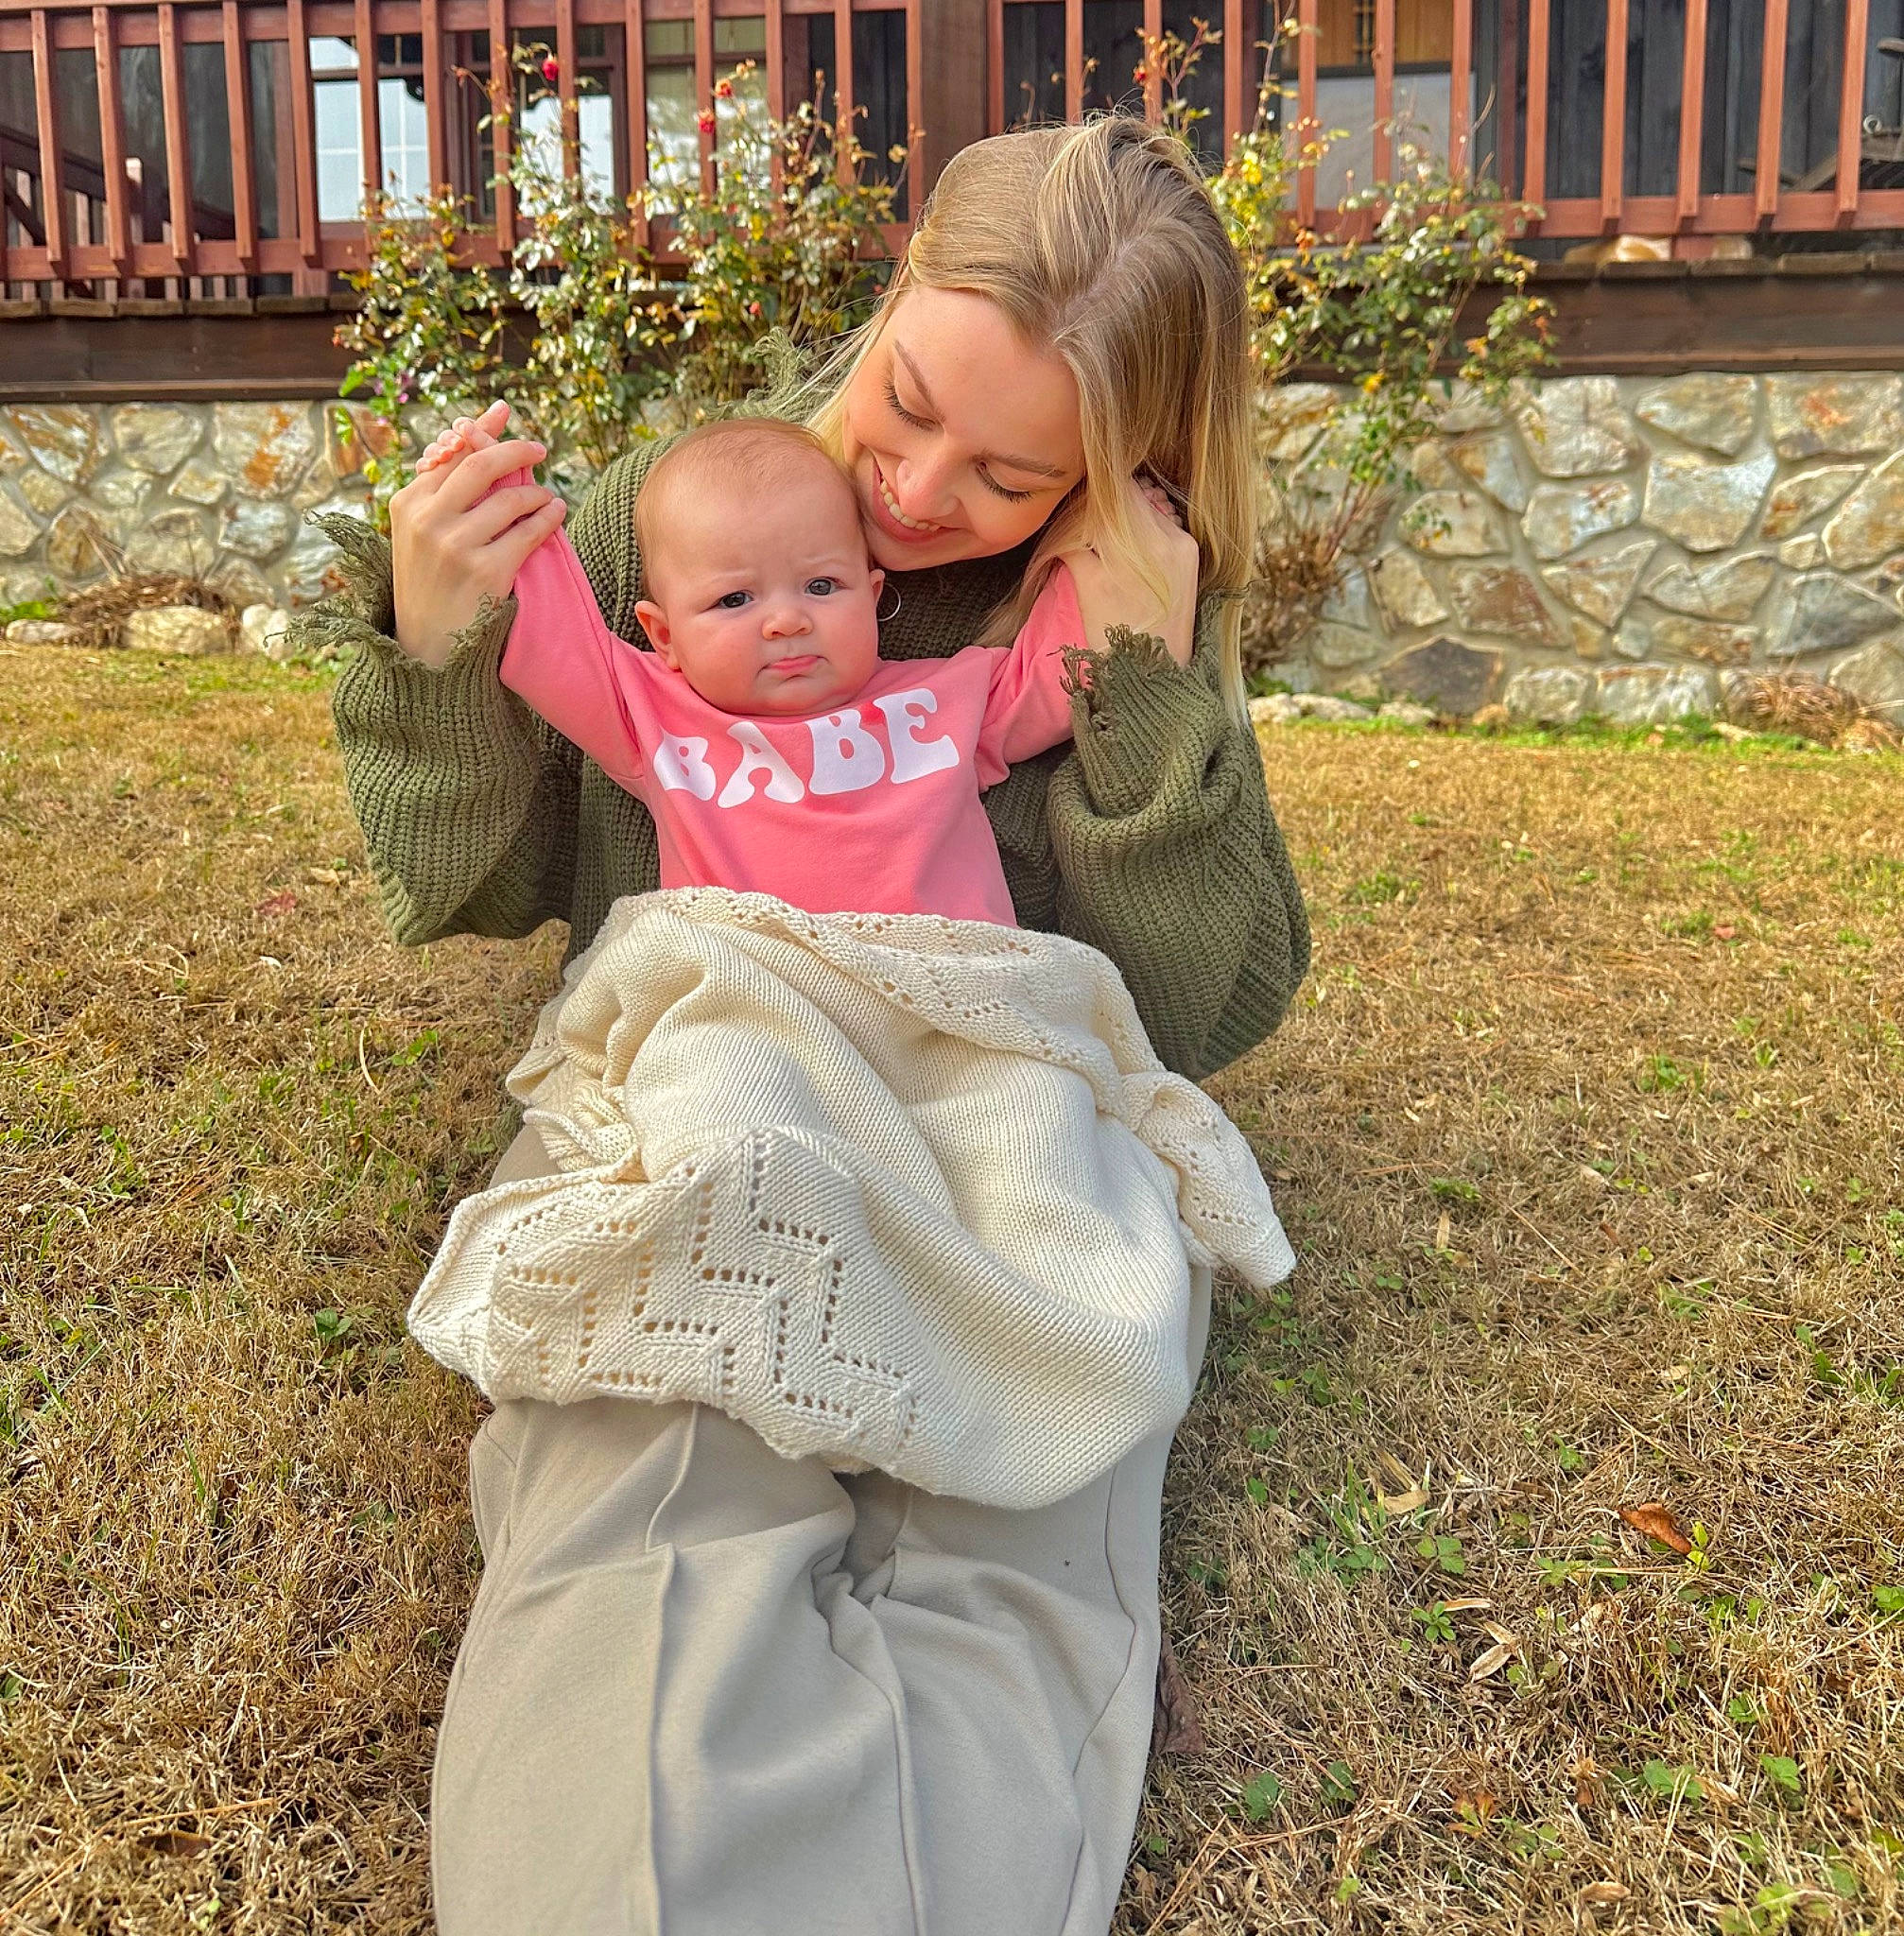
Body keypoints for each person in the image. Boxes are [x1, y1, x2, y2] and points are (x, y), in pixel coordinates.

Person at [302, 112, 1310, 1936]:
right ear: (895, 280)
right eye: (907, 398)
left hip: (997, 1104)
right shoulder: (675, 511)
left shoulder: (1118, 596)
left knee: (1030, 1476)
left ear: (1125, 468)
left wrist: (1142, 686)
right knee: (652, 1453)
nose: (919, 491)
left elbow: (1201, 999)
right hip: (719, 1073)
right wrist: (430, 632)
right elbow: (474, 864)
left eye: (1009, 474)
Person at [421, 411, 1095, 922]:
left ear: (873, 592)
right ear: (664, 636)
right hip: (751, 994)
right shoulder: (653, 716)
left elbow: (1064, 667)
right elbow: (554, 639)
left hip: (939, 986)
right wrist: (493, 491)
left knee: (1033, 1099)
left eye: (823, 586)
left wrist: (1118, 532)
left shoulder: (947, 701)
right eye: (734, 599)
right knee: (701, 1079)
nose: (786, 621)